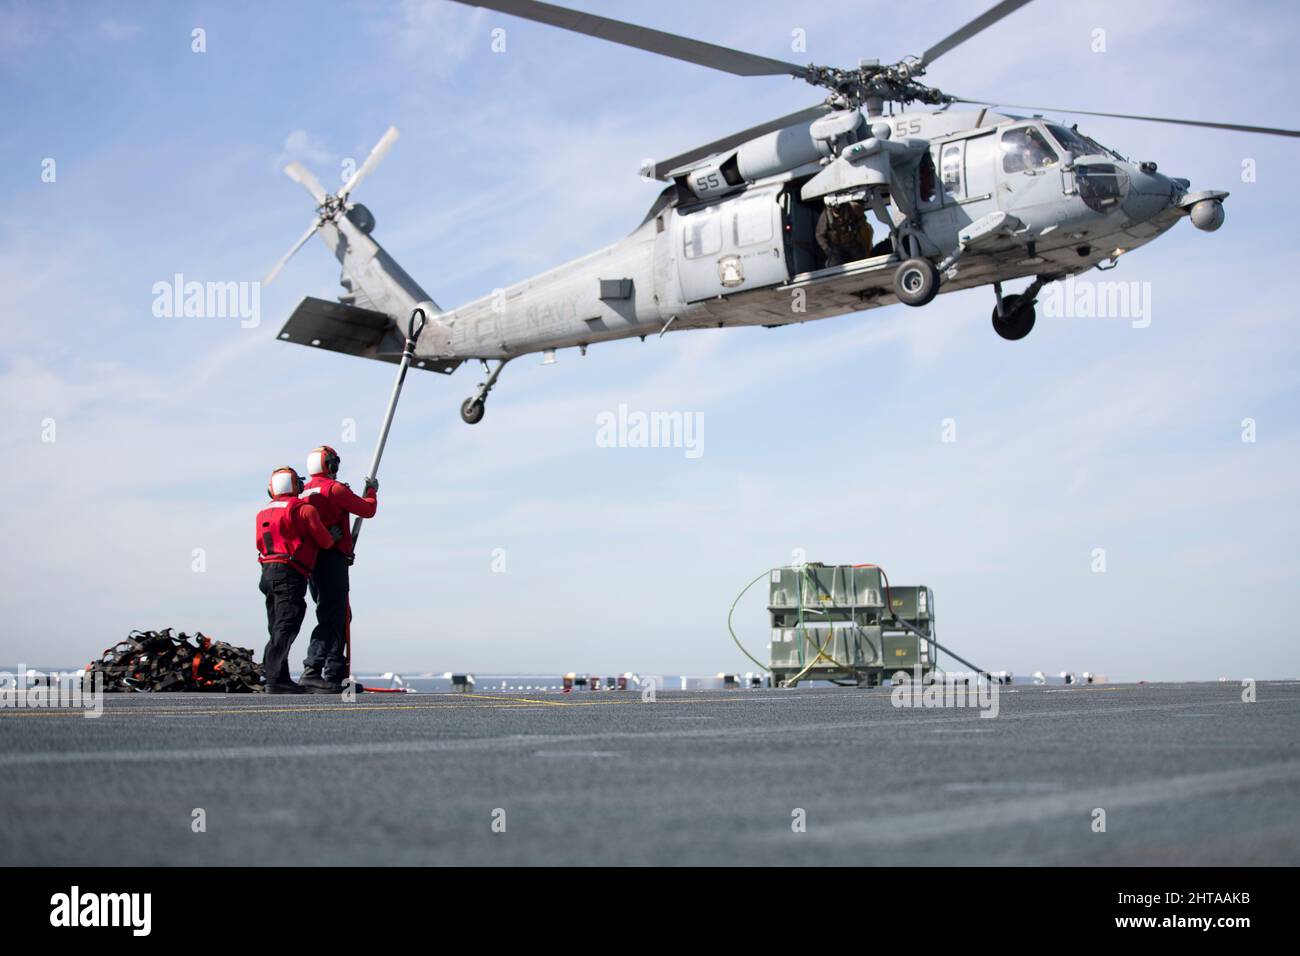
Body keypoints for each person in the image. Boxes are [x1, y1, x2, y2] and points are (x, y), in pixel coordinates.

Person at [299, 445, 378, 692]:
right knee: (333, 614)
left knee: (338, 614)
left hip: (310, 561)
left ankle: (333, 672)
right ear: (330, 465)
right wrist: (372, 491)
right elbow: (367, 510)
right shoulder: (335, 489)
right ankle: (314, 669)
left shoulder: (302, 493)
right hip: (331, 560)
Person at [255, 467, 336, 694]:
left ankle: (279, 677)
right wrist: (334, 537)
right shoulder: (304, 509)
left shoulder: (262, 513)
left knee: (275, 625)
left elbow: (259, 544)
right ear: (296, 486)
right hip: (290, 573)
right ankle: (272, 676)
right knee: (287, 623)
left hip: (267, 572)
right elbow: (325, 541)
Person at [815, 200, 874, 267]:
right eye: (833, 207)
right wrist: (827, 249)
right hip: (837, 249)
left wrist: (856, 227)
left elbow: (863, 220)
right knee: (834, 264)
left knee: (863, 261)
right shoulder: (826, 214)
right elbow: (819, 234)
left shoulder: (851, 208)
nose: (836, 208)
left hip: (853, 244)